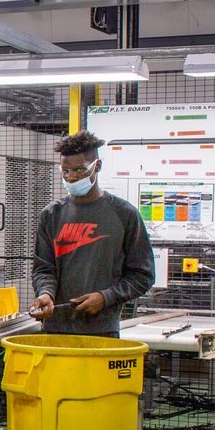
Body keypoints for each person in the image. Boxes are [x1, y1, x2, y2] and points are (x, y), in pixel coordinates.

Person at [30, 130, 154, 335]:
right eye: (65, 171)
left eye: (79, 170)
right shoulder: (51, 215)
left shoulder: (124, 215)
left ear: (97, 166)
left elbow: (143, 275)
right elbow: (43, 269)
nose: (71, 178)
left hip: (103, 331)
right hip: (56, 330)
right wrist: (46, 294)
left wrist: (106, 297)